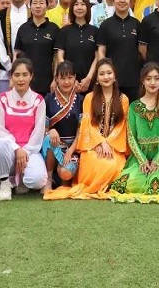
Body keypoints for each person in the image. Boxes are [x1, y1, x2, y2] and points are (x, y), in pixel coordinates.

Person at [44, 58, 129, 200]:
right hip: (92, 146)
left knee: (115, 165)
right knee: (97, 163)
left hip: (113, 147)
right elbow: (87, 125)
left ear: (115, 76)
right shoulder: (89, 98)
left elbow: (121, 126)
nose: (106, 77)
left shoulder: (123, 99)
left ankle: (104, 186)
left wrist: (108, 144)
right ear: (97, 78)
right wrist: (100, 142)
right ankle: (52, 179)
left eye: (109, 73)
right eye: (102, 74)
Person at [110, 62, 159, 203]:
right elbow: (131, 137)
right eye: (148, 78)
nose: (152, 82)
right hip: (139, 158)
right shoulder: (134, 107)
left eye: (156, 78)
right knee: (123, 185)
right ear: (142, 81)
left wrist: (157, 161)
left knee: (156, 187)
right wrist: (142, 160)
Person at [0, 58, 47, 201]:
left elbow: (38, 132)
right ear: (11, 76)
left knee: (38, 180)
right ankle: (5, 183)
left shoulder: (38, 100)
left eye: (25, 75)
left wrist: (25, 151)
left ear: (31, 76)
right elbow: (0, 129)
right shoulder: (2, 99)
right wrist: (16, 149)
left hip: (29, 151)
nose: (21, 79)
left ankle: (22, 178)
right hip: (8, 150)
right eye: (17, 75)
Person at [40, 61, 83, 193]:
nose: (66, 82)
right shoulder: (48, 99)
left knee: (65, 173)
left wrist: (70, 152)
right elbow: (43, 128)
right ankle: (48, 179)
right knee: (49, 139)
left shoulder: (81, 100)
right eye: (63, 78)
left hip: (73, 148)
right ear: (56, 79)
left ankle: (64, 177)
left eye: (70, 77)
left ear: (75, 78)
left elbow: (81, 130)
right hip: (54, 145)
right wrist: (50, 131)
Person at [97, 0, 141, 99]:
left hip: (133, 80)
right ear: (113, 0)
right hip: (112, 80)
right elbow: (101, 51)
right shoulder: (105, 25)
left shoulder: (136, 24)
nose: (122, 0)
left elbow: (141, 50)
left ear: (130, 1)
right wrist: (104, 73)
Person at [14, 0, 59, 95]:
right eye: (34, 3)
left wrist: (55, 79)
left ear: (47, 6)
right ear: (30, 6)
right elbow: (17, 54)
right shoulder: (23, 28)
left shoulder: (54, 29)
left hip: (46, 83)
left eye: (41, 3)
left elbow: (57, 57)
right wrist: (13, 78)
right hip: (24, 82)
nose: (38, 6)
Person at [54, 0, 98, 94]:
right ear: (72, 8)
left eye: (83, 4)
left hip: (90, 83)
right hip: (68, 84)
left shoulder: (95, 31)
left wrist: (89, 78)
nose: (79, 7)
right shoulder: (64, 31)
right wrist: (71, 79)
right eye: (76, 4)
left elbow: (97, 57)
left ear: (87, 8)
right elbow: (60, 56)